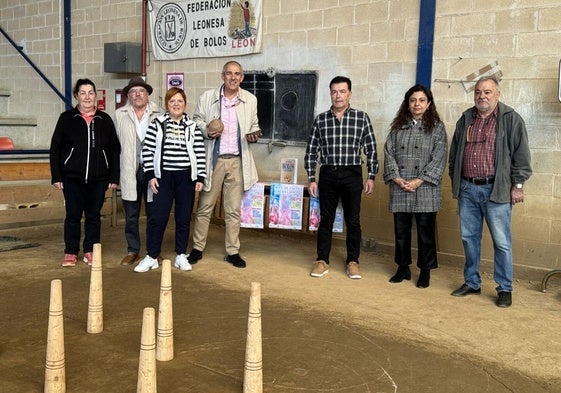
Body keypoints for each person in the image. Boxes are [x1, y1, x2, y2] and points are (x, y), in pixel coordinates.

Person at [449, 76, 532, 307]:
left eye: (487, 92)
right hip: (467, 189)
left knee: (502, 242)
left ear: (498, 93)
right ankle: (472, 283)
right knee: (469, 239)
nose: (481, 96)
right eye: (478, 92)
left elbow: (522, 157)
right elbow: (454, 154)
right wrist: (456, 180)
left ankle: (504, 288)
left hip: (497, 191)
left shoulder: (511, 119)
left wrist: (517, 186)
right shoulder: (466, 119)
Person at [187, 60, 260, 269]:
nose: (233, 77)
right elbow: (195, 120)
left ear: (242, 77)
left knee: (233, 210)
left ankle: (232, 251)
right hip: (214, 160)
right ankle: (197, 248)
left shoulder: (250, 99)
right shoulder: (207, 97)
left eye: (237, 74)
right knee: (205, 206)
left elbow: (254, 124)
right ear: (223, 76)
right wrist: (207, 129)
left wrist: (254, 133)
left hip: (237, 160)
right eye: (229, 73)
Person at [304, 75, 378, 280]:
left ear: (350, 94)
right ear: (330, 94)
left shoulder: (361, 118)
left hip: (352, 174)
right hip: (328, 173)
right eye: (334, 92)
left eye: (342, 91)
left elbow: (371, 149)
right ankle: (321, 261)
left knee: (353, 220)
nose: (338, 96)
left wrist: (371, 176)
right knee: (325, 219)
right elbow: (311, 151)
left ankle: (353, 262)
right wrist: (312, 177)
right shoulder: (321, 120)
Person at [134, 87, 206, 273]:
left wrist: (199, 177)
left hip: (186, 178)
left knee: (183, 217)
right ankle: (151, 256)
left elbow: (199, 152)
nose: (176, 104)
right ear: (167, 104)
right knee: (158, 217)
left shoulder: (192, 126)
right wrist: (151, 175)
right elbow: (147, 151)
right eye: (172, 101)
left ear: (185, 104)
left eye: (179, 101)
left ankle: (181, 255)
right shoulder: (158, 123)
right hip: (163, 177)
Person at [50, 78, 121, 267]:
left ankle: (90, 250)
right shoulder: (66, 119)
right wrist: (56, 176)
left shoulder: (104, 120)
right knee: (73, 215)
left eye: (91, 93)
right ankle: (71, 252)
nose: (87, 97)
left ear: (96, 96)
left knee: (93, 215)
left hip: (99, 178)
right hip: (72, 177)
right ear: (76, 96)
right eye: (83, 93)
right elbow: (55, 147)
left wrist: (114, 176)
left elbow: (114, 149)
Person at [383, 84, 447, 288]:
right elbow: (388, 153)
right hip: (401, 186)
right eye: (412, 100)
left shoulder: (437, 127)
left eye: (421, 100)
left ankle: (425, 271)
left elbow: (440, 156)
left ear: (428, 104)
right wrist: (396, 178)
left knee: (425, 233)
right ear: (407, 104)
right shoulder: (397, 127)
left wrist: (420, 180)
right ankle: (402, 268)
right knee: (401, 233)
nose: (416, 104)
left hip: (426, 188)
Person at [114, 76, 162, 266]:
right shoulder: (120, 115)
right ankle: (133, 250)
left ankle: (153, 251)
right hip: (129, 170)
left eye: (141, 91)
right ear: (128, 96)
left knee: (154, 213)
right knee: (131, 214)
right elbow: (114, 145)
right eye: (133, 92)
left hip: (153, 172)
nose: (137, 95)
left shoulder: (160, 114)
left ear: (147, 94)